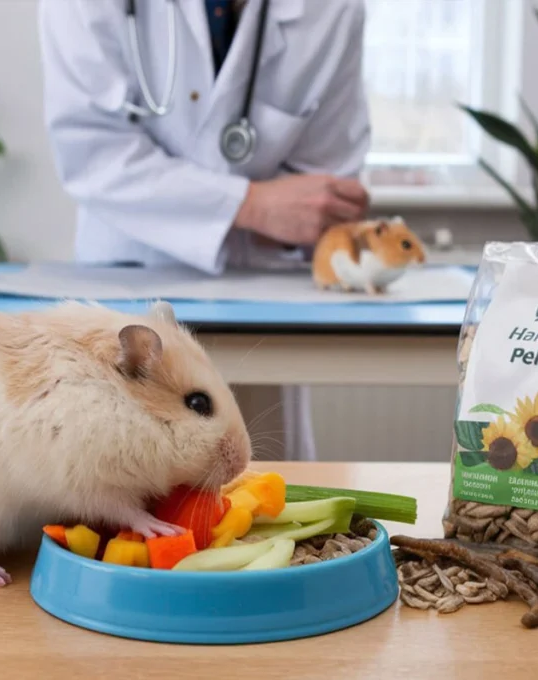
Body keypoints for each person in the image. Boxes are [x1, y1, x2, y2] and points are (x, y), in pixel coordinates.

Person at [38, 0, 372, 461]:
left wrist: (285, 211)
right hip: (133, 267)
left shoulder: (330, 9)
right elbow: (91, 151)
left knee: (269, 491)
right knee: (122, 485)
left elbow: (326, 181)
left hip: (263, 290)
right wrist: (251, 204)